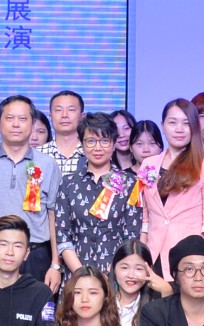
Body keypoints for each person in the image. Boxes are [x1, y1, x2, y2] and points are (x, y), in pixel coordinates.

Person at [0, 94, 63, 286]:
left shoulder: (48, 164)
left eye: (22, 119)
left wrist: (55, 264)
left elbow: (53, 216)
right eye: (9, 118)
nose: (16, 124)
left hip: (35, 255)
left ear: (32, 124)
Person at [53, 112, 144, 278]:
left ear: (114, 143)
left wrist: (110, 274)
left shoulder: (130, 183)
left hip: (117, 275)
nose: (97, 148)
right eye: (91, 141)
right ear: (81, 144)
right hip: (76, 275)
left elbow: (132, 234)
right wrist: (83, 275)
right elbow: (63, 235)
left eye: (105, 141)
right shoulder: (68, 183)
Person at [137, 98, 204, 268]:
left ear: (194, 127)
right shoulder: (148, 164)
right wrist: (141, 257)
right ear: (163, 126)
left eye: (186, 123)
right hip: (152, 255)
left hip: (189, 258)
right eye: (172, 122)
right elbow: (146, 218)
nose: (179, 129)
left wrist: (202, 263)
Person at [109, 239, 169, 326]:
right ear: (114, 269)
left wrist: (167, 291)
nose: (131, 275)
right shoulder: (101, 300)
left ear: (148, 271)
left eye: (139, 269)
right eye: (124, 268)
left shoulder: (154, 305)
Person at [45, 89, 87, 175]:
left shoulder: (94, 153)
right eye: (58, 110)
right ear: (50, 116)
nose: (64, 115)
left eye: (71, 110)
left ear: (82, 116)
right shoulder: (37, 154)